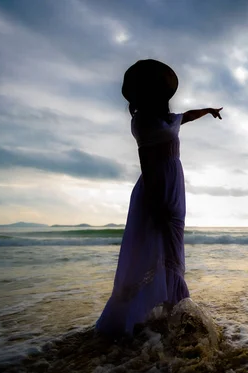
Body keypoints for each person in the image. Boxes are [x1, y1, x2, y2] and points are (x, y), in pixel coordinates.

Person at [96, 59, 222, 337]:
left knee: (172, 249)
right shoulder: (142, 121)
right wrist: (157, 204)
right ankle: (136, 316)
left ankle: (170, 310)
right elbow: (146, 164)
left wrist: (209, 110)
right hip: (156, 189)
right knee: (152, 247)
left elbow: (186, 116)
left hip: (174, 187)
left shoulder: (168, 119)